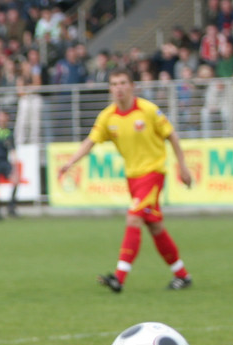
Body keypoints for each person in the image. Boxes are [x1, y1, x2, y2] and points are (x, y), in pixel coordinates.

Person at [57, 67, 194, 293]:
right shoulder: (108, 116)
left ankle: (119, 277)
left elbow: (172, 136)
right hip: (133, 178)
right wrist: (70, 162)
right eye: (114, 84)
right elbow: (90, 141)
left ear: (132, 86)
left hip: (153, 174)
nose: (118, 88)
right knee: (156, 227)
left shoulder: (148, 110)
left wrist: (183, 167)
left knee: (133, 218)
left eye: (122, 83)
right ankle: (182, 275)